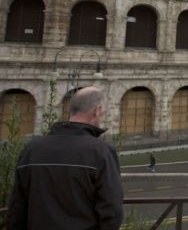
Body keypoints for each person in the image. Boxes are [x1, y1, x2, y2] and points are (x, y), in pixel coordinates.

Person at [7, 86, 123, 230]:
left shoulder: (32, 149)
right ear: (97, 110)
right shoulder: (101, 152)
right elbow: (111, 210)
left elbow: (17, 208)